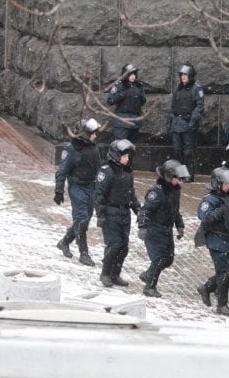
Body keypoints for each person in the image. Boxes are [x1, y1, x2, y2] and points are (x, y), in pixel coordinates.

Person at [196, 167, 229, 316]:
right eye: (225, 184)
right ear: (218, 184)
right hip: (217, 239)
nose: (228, 186)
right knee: (226, 271)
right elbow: (206, 218)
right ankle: (222, 304)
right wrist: (220, 211)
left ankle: (206, 287)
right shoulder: (209, 200)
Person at [54, 118, 102, 267]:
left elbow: (98, 168)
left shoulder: (94, 147)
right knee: (81, 220)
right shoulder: (71, 149)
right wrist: (59, 190)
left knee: (85, 220)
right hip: (77, 187)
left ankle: (64, 242)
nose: (95, 135)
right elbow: (62, 171)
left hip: (91, 187)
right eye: (93, 133)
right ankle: (84, 254)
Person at [137, 159, 189, 297]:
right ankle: (150, 287)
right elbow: (145, 210)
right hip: (154, 229)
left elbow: (175, 210)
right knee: (159, 259)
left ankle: (148, 274)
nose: (180, 181)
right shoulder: (156, 192)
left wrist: (180, 225)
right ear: (169, 176)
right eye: (178, 178)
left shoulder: (175, 191)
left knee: (168, 259)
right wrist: (142, 226)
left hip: (167, 229)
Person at [93, 139, 140, 287]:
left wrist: (138, 210)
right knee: (114, 245)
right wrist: (100, 214)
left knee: (123, 246)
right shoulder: (106, 171)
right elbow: (99, 194)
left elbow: (131, 194)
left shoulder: (127, 172)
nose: (127, 159)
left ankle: (115, 273)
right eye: (124, 156)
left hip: (124, 213)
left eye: (128, 156)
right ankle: (105, 273)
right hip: (110, 212)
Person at [167, 63, 204, 180]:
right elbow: (173, 106)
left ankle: (188, 175)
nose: (183, 77)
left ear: (190, 76)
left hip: (188, 124)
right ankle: (179, 173)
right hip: (177, 123)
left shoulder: (196, 88)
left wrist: (192, 121)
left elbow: (199, 106)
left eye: (185, 75)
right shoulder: (178, 88)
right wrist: (170, 121)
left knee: (188, 151)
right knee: (177, 151)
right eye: (182, 75)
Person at [107, 63, 146, 143]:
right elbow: (110, 100)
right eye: (130, 74)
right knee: (120, 147)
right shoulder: (119, 85)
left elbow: (143, 101)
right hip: (121, 120)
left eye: (134, 74)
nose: (133, 76)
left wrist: (139, 94)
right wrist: (124, 94)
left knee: (131, 148)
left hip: (134, 121)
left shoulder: (138, 85)